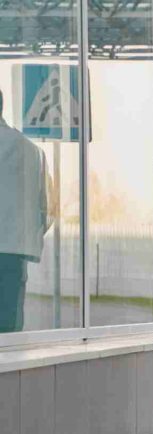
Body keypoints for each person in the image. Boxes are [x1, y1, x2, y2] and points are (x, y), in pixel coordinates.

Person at [0, 89, 53, 333]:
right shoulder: (32, 151)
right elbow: (47, 209)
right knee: (9, 329)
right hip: (14, 255)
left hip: (15, 250)